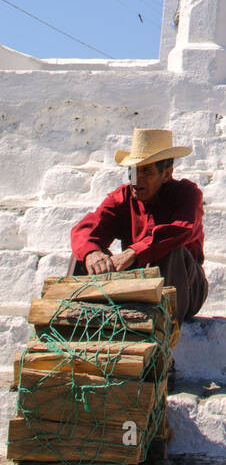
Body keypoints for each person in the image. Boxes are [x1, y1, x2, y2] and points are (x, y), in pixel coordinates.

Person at [69, 128, 208, 324]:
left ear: (167, 174)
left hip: (185, 288)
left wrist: (134, 252)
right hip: (136, 288)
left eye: (146, 172)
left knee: (170, 250)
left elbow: (180, 229)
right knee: (83, 254)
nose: (136, 180)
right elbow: (87, 229)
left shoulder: (186, 193)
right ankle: (72, 323)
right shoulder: (123, 197)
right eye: (133, 171)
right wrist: (92, 253)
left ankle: (161, 326)